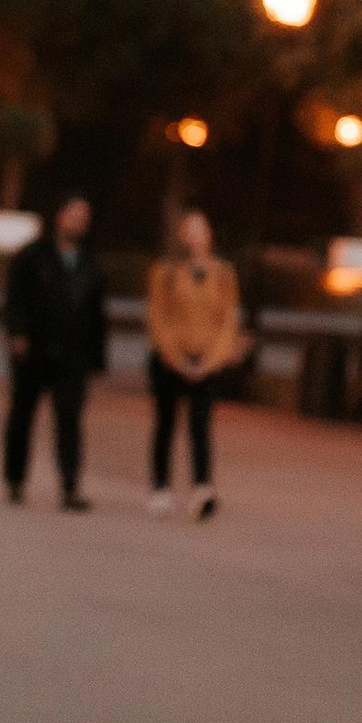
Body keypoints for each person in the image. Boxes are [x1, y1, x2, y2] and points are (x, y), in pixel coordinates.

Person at [1, 195, 109, 511]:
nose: (79, 221)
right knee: (22, 415)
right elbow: (14, 298)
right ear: (60, 216)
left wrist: (98, 358)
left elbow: (97, 315)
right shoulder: (32, 256)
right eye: (74, 214)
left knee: (70, 420)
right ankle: (15, 479)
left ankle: (70, 485)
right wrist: (16, 333)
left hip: (73, 355)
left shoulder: (91, 263)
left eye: (84, 216)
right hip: (33, 351)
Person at [146, 209, 245, 519]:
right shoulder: (166, 271)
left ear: (209, 235)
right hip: (170, 361)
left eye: (200, 230)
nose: (195, 236)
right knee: (165, 424)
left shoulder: (223, 274)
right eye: (189, 230)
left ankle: (202, 486)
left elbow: (227, 320)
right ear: (181, 236)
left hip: (206, 361)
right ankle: (161, 486)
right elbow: (158, 318)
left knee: (200, 425)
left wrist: (211, 360)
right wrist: (175, 358)